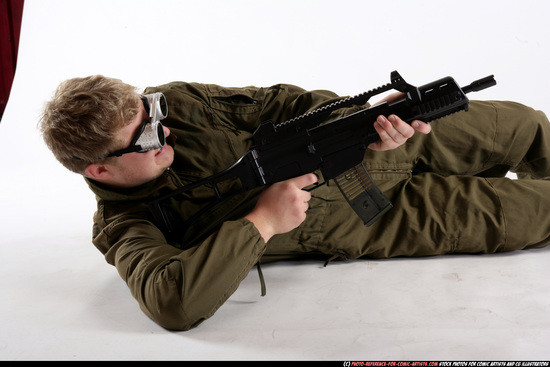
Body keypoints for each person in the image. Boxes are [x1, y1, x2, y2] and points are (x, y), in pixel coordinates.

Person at [39, 75, 550, 331]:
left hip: (379, 142)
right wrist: (261, 223)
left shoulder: (178, 104)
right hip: (381, 217)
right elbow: (172, 302)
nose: (164, 130)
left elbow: (280, 103)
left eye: (151, 114)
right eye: (146, 137)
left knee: (527, 125)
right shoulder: (127, 225)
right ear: (99, 169)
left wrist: (365, 115)